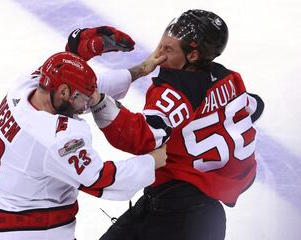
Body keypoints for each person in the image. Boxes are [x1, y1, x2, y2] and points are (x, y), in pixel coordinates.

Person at [67, 9, 265, 240]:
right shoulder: (229, 79)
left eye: (168, 49)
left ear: (192, 56)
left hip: (178, 216)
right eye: (161, 43)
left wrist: (99, 102)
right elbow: (254, 105)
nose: (158, 52)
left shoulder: (174, 92)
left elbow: (140, 137)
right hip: (202, 214)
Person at [0, 27, 168, 240]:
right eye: (81, 99)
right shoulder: (56, 139)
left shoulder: (25, 88)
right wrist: (152, 161)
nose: (85, 105)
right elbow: (100, 179)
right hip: (29, 232)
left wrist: (139, 70)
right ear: (64, 92)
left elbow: (68, 78)